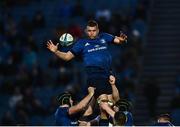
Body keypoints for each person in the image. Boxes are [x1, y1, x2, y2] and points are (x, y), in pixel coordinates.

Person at [47, 20, 127, 97]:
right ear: (86, 31)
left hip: (108, 74)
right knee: (105, 101)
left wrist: (123, 40)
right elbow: (67, 57)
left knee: (107, 103)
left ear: (98, 30)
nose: (91, 33)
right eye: (89, 31)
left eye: (94, 30)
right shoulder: (81, 43)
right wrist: (56, 51)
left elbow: (118, 41)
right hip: (94, 74)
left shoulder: (104, 36)